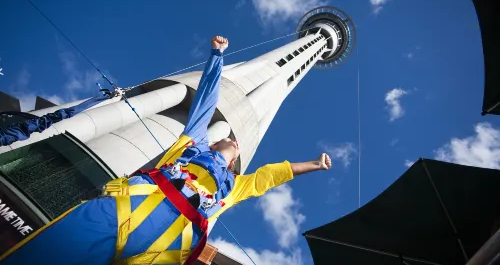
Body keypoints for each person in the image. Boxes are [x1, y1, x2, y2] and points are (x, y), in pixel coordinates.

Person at [0, 36, 332, 265]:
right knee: (46, 254)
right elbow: (204, 103)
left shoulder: (234, 187)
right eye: (230, 139)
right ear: (215, 142)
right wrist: (216, 58)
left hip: (161, 253)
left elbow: (270, 176)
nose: (235, 141)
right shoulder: (192, 147)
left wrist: (313, 165)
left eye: (236, 143)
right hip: (118, 212)